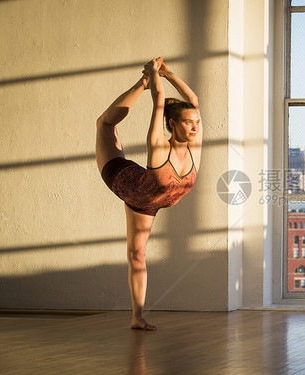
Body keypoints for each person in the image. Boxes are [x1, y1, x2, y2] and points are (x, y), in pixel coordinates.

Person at [95, 58, 202, 330]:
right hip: (123, 178)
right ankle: (139, 83)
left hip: (146, 202)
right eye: (188, 122)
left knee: (136, 256)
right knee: (104, 125)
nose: (195, 127)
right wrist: (152, 79)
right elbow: (159, 100)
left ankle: (137, 318)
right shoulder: (158, 146)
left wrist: (169, 74)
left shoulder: (194, 149)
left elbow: (193, 99)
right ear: (171, 123)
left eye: (196, 123)